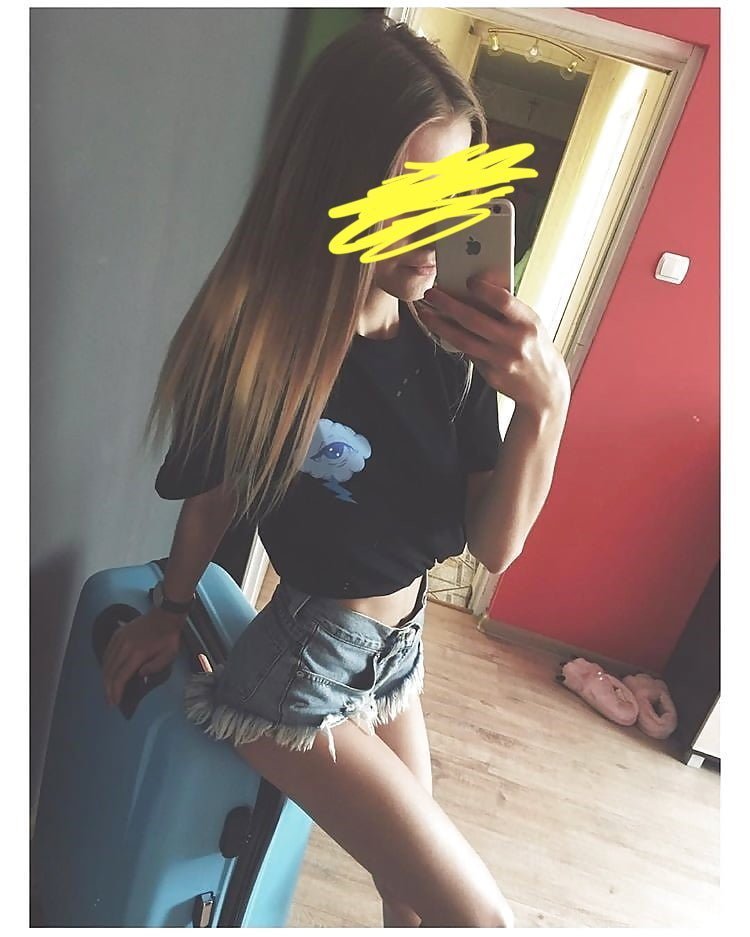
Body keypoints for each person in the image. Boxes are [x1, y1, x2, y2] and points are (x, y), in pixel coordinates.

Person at [102, 16, 570, 927]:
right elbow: (214, 493)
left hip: (399, 654)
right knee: (480, 918)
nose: (437, 228)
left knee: (412, 905)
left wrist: (545, 405)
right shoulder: (261, 342)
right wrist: (170, 607)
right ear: (336, 184)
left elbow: (496, 544)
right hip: (300, 671)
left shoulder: (450, 341)